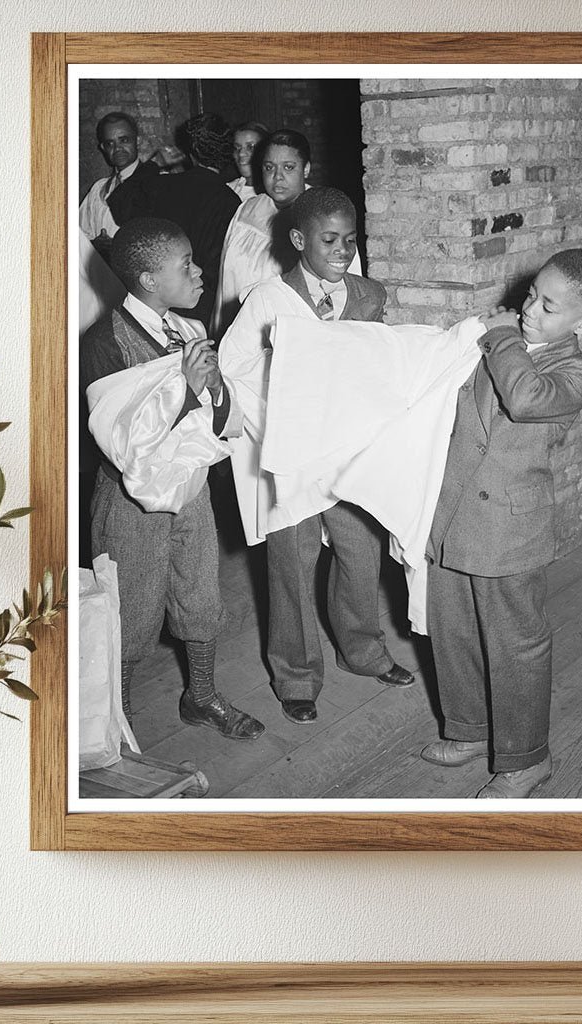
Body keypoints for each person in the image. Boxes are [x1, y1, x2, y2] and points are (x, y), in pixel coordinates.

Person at [421, 248, 582, 798]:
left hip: (509, 529)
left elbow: (525, 399)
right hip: (454, 512)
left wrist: (501, 336)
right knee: (452, 628)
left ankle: (527, 759)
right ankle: (468, 729)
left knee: (516, 646)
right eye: (531, 295)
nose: (529, 310)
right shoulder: (498, 345)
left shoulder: (577, 373)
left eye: (548, 307)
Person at [219, 186, 414, 725]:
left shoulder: (368, 295)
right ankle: (297, 674)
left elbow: (379, 363)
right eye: (329, 240)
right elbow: (233, 366)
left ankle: (363, 649)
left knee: (360, 551)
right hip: (291, 455)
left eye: (350, 240)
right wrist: (285, 393)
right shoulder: (266, 300)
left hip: (348, 452)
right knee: (292, 560)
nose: (342, 250)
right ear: (299, 240)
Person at [80, 217, 265, 741]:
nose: (200, 271)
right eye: (185, 265)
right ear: (148, 281)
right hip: (129, 504)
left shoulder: (189, 330)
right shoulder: (104, 341)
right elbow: (119, 440)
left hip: (191, 490)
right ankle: (117, 720)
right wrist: (185, 388)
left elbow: (220, 411)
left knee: (201, 595)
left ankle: (201, 697)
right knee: (130, 611)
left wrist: (215, 389)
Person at [212, 128, 362, 339]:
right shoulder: (247, 211)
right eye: (269, 167)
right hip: (244, 331)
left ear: (306, 169)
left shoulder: (326, 213)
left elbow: (347, 285)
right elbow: (226, 283)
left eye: (289, 167)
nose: (277, 177)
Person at [109, 113, 241, 330]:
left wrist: (154, 163)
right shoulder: (231, 201)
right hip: (206, 310)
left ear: (191, 152)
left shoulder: (163, 186)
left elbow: (120, 202)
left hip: (158, 304)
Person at [78, 112, 161, 258]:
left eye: (124, 140)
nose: (117, 149)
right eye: (110, 143)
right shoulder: (99, 189)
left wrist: (120, 246)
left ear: (138, 141)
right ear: (103, 148)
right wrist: (94, 245)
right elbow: (79, 235)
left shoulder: (158, 182)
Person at [226, 121, 269, 202]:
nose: (241, 154)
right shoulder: (227, 189)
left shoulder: (274, 196)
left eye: (250, 147)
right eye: (237, 147)